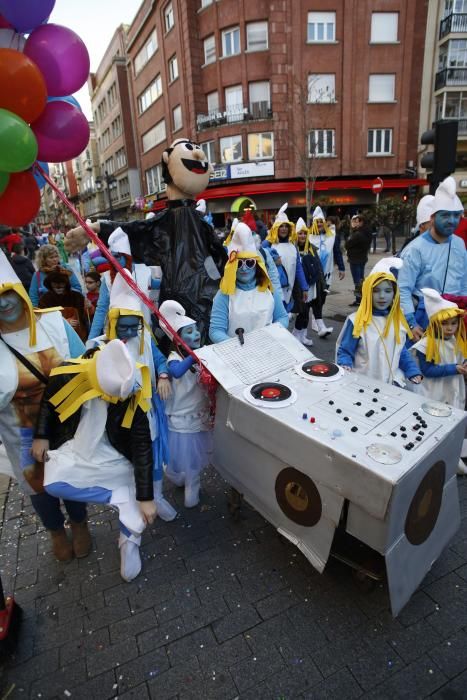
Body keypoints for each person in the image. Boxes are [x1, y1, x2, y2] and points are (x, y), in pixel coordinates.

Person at [66, 138, 228, 343]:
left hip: (196, 301)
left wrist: (96, 228)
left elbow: (136, 230)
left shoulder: (193, 224)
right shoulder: (180, 223)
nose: (198, 155)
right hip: (190, 302)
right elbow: (136, 230)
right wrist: (97, 228)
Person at [32, 339, 156, 581]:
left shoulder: (131, 391)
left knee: (136, 500)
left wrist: (146, 497)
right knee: (53, 483)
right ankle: (119, 498)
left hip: (115, 452)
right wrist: (41, 434)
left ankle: (129, 540)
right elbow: (49, 403)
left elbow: (141, 446)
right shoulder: (67, 374)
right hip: (77, 447)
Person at [0, 250, 88, 562]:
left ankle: (79, 524)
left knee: (71, 476)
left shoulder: (52, 322)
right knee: (38, 485)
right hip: (20, 431)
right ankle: (55, 531)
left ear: (19, 291)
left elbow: (82, 365)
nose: (4, 303)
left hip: (64, 420)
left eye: (8, 294)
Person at [89, 270, 176, 521]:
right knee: (127, 462)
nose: (128, 331)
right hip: (117, 418)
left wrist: (162, 375)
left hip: (148, 410)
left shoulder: (144, 336)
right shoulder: (98, 347)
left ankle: (155, 497)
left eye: (133, 324)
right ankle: (133, 505)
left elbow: (159, 359)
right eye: (122, 325)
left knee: (153, 454)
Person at [398, 177, 467, 340]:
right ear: (433, 217)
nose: (452, 220)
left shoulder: (459, 244)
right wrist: (411, 322)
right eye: (445, 215)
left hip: (455, 320)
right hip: (425, 319)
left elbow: (464, 281)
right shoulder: (414, 249)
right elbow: (403, 289)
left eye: (456, 216)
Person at [336, 257, 422, 387]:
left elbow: (401, 351)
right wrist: (345, 364)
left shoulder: (398, 321)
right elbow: (346, 350)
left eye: (388, 291)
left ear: (395, 293)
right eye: (376, 291)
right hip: (363, 383)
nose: (382, 296)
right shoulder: (357, 321)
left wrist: (412, 370)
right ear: (367, 292)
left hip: (391, 383)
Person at [159, 300, 212, 508]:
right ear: (179, 340)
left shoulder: (201, 354)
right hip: (181, 417)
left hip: (199, 413)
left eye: (195, 330)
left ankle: (192, 488)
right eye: (188, 332)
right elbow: (177, 371)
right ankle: (179, 478)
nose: (196, 334)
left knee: (194, 462)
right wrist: (193, 356)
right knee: (180, 459)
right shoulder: (174, 357)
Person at [409, 288, 467, 474]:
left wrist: (463, 367)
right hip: (433, 390)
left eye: (453, 323)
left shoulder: (458, 341)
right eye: (445, 324)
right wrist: (454, 368)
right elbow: (428, 371)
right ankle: (427, 459)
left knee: (452, 422)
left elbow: (461, 358)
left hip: (453, 388)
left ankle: (452, 457)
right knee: (433, 423)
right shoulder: (426, 345)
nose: (450, 328)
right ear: (434, 323)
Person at [210, 223, 288, 343]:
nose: (245, 268)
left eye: (250, 263)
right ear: (232, 266)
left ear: (257, 265)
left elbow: (282, 317)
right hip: (237, 354)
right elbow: (216, 330)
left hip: (269, 348)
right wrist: (238, 347)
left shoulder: (269, 291)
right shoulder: (224, 294)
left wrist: (272, 334)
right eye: (239, 264)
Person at [262, 203, 308, 312]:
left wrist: (304, 287)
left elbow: (298, 268)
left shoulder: (292, 246)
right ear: (276, 228)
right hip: (271, 292)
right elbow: (257, 255)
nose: (284, 229)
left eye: (286, 226)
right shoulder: (268, 244)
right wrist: (271, 256)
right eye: (281, 226)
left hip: (289, 291)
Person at [292, 218, 332, 345]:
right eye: (300, 233)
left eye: (304, 233)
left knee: (306, 313)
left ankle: (302, 336)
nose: (303, 236)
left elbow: (319, 267)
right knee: (302, 313)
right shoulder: (292, 249)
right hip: (298, 287)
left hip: (312, 287)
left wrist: (323, 285)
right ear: (295, 234)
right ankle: (295, 335)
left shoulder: (312, 249)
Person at [39, 267, 88, 341]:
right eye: (55, 283)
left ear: (66, 283)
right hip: (56, 338)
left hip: (77, 337)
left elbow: (86, 318)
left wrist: (89, 308)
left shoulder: (77, 297)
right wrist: (64, 323)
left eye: (61, 283)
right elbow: (43, 320)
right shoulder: (45, 299)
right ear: (50, 283)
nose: (58, 286)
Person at [344, 214, 372, 306]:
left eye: (356, 221)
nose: (354, 223)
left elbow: (347, 244)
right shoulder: (366, 232)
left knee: (357, 281)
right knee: (360, 279)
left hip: (355, 259)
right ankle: (362, 298)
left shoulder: (358, 234)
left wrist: (352, 231)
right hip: (362, 258)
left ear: (361, 222)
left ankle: (359, 299)